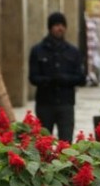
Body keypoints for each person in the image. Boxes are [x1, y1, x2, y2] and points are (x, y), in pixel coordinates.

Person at [28, 11, 84, 143]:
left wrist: (65, 79)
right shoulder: (37, 50)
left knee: (66, 144)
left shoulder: (73, 51)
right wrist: (49, 80)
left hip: (66, 104)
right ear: (50, 27)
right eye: (57, 25)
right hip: (45, 104)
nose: (60, 28)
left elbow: (81, 78)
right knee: (43, 143)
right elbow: (33, 77)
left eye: (63, 25)